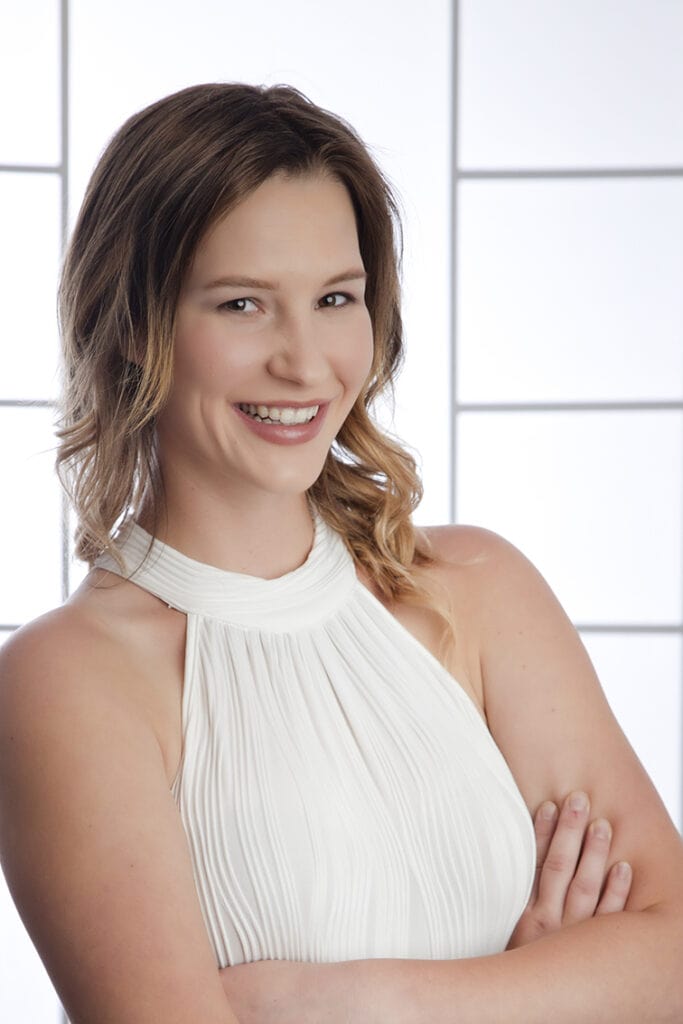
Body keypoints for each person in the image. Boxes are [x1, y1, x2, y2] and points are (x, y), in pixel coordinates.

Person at [0, 82, 680, 1024]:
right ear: (130, 329)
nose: (306, 361)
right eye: (242, 304)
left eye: (334, 298)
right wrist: (548, 985)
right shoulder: (68, 681)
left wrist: (342, 1001)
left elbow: (670, 955)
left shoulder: (476, 590)